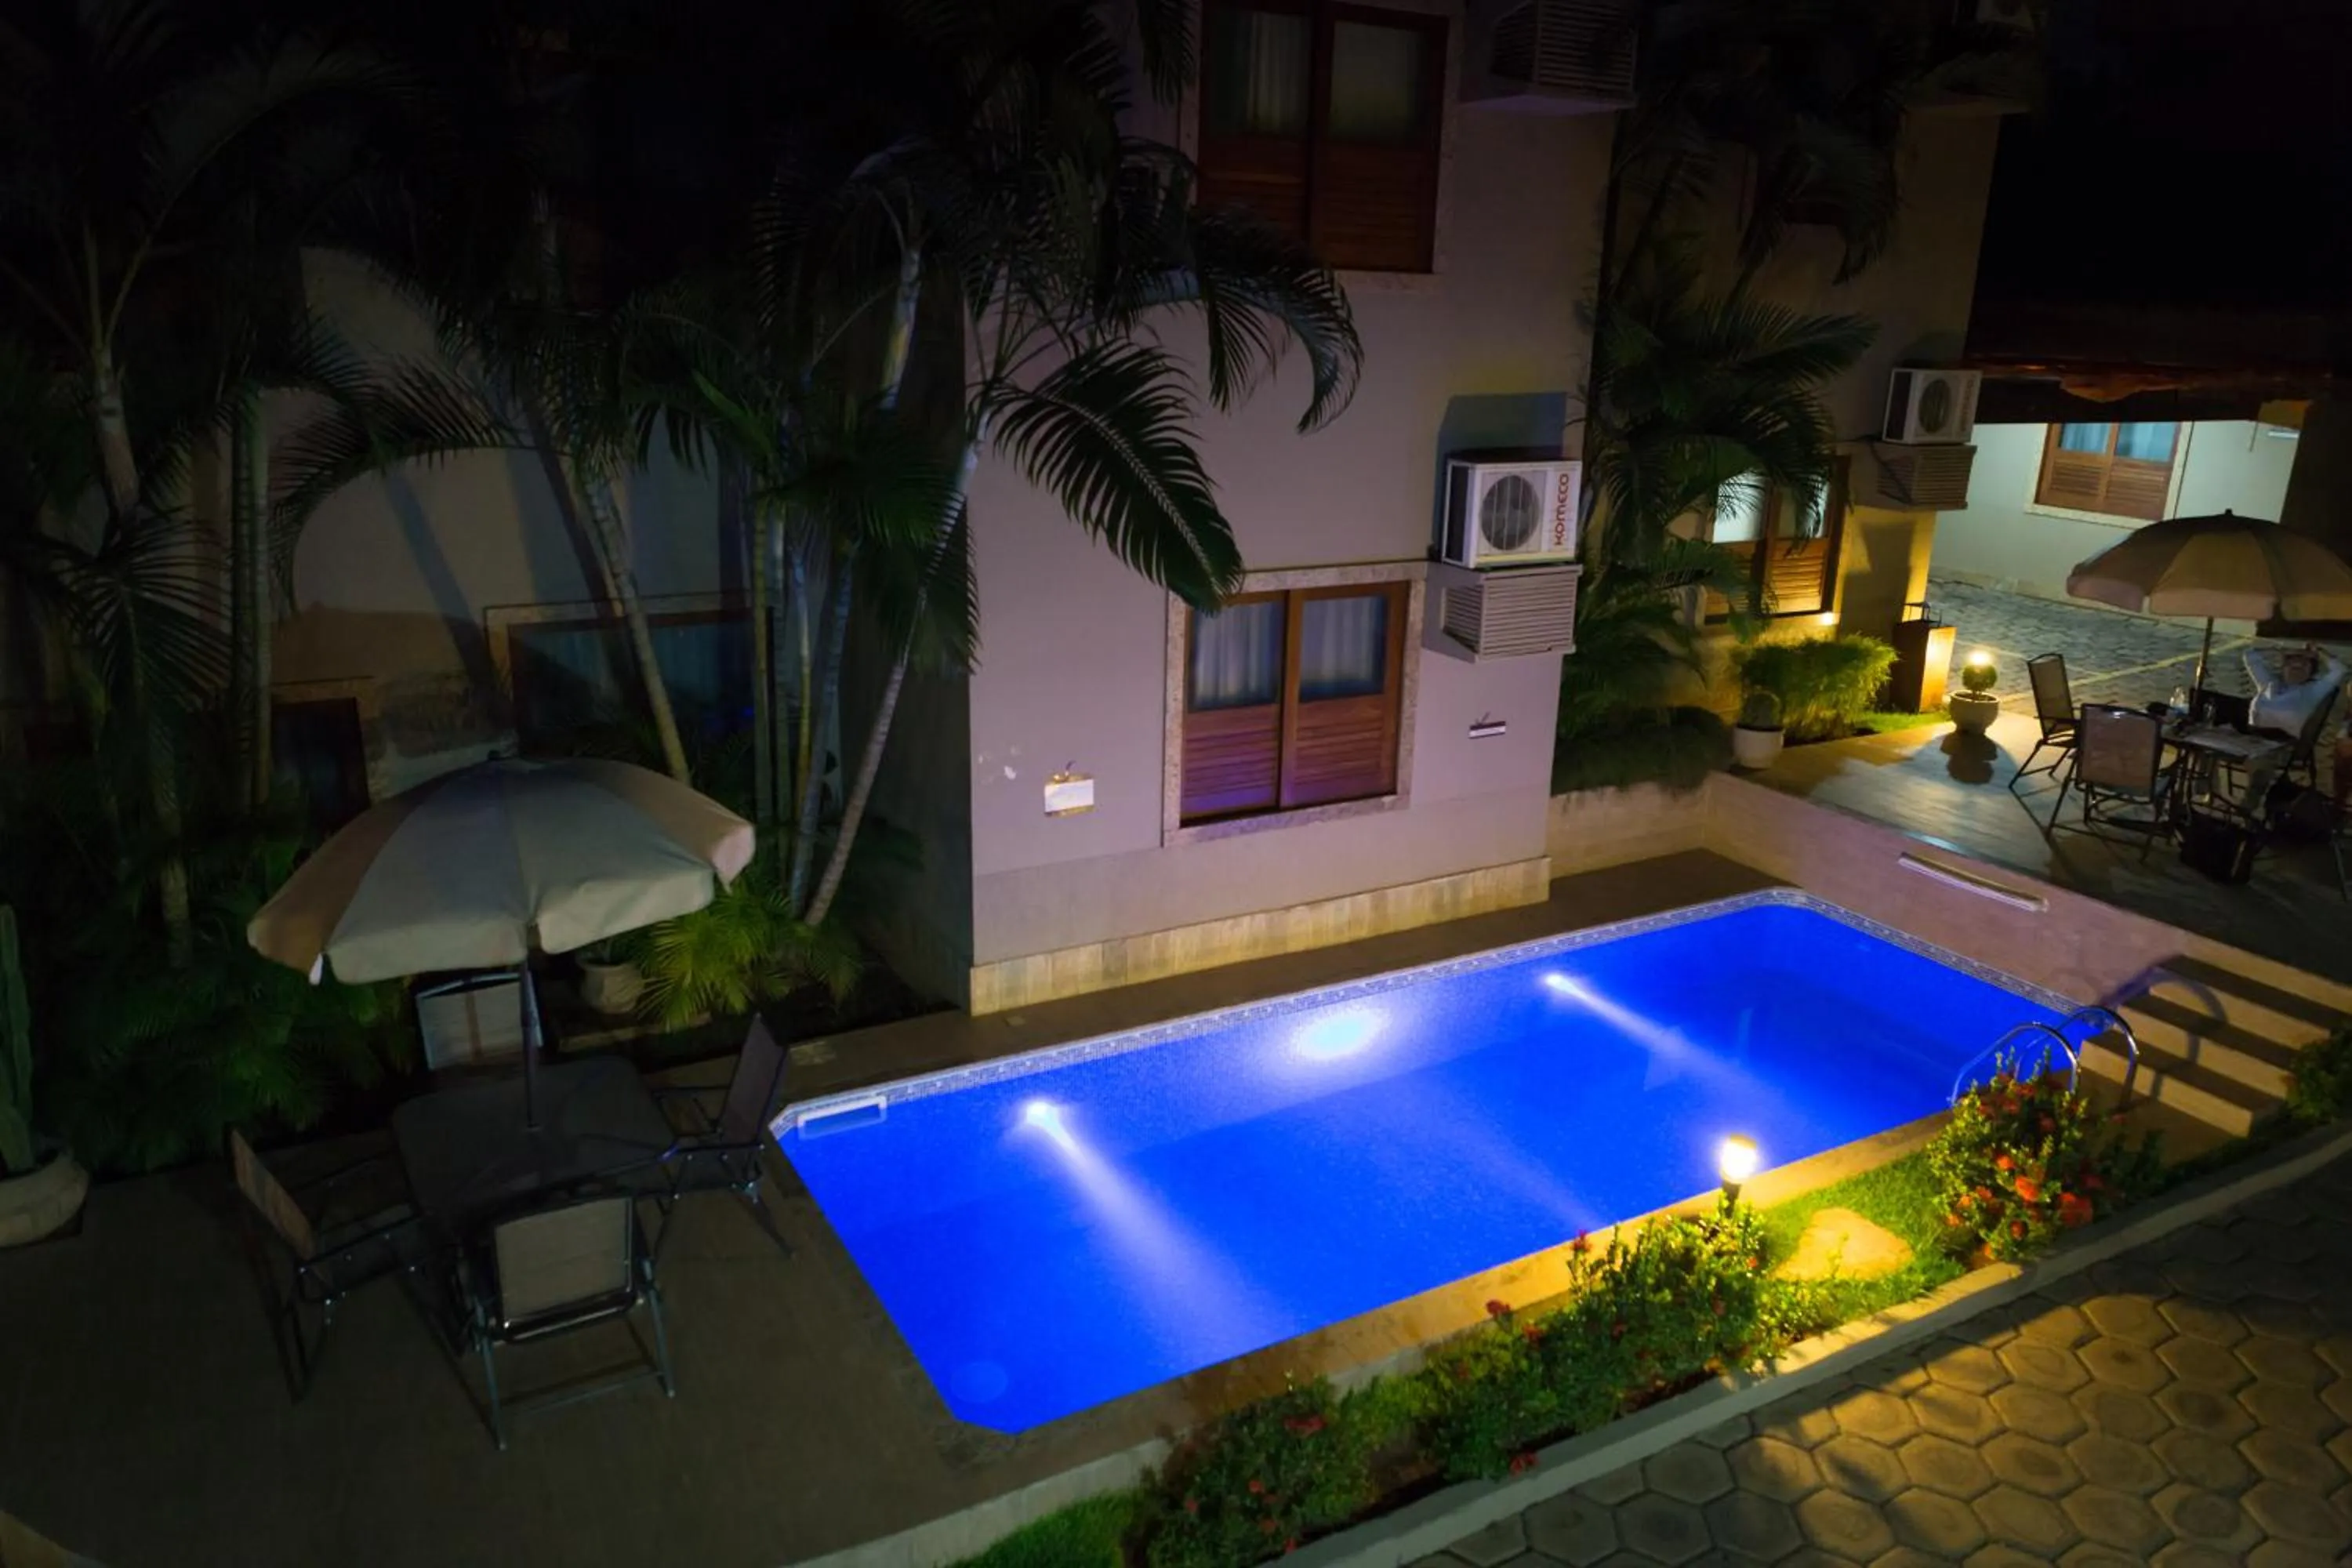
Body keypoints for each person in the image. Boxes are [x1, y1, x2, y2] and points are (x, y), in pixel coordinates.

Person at [2244, 642, 2347, 739]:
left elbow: (2339, 670)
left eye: (2304, 666)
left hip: (2281, 746)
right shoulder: (2268, 684)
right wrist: (2282, 651)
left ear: (2311, 673)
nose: (2298, 669)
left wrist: (2318, 653)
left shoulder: (2312, 692)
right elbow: (2250, 655)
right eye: (2292, 666)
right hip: (2252, 741)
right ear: (2283, 668)